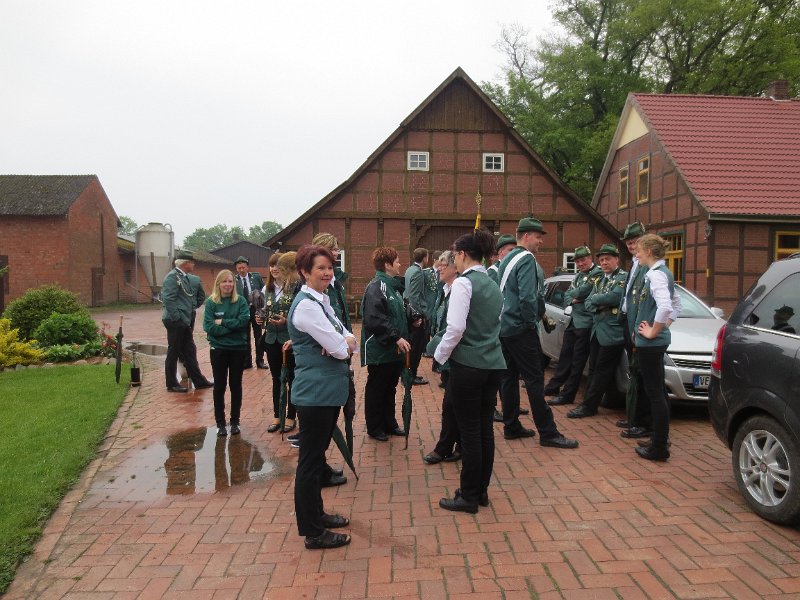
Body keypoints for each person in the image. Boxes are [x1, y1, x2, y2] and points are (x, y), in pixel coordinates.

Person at [288, 244, 357, 549]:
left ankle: (318, 515)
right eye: (321, 268)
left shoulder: (321, 300)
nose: (328, 273)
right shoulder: (306, 306)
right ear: (305, 272)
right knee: (310, 463)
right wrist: (342, 344)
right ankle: (313, 532)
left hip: (326, 392)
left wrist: (342, 343)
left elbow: (348, 338)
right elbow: (342, 348)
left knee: (316, 460)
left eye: (330, 267)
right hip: (315, 394)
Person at [435, 229, 507, 513]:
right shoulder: (492, 282)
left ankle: (468, 495)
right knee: (484, 429)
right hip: (493, 363)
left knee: (469, 432)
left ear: (463, 254)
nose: (454, 259)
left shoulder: (464, 283)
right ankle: (480, 491)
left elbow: (455, 328)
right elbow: (495, 322)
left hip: (468, 365)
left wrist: (440, 355)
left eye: (455, 255)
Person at [497, 218, 578, 449]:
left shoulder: (507, 259)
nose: (541, 241)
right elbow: (528, 298)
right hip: (520, 329)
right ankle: (548, 432)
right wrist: (531, 322)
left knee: (509, 379)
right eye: (538, 236)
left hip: (505, 328)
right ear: (525, 236)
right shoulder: (527, 259)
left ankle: (511, 425)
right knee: (534, 381)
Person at [630, 233, 679, 461]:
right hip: (655, 343)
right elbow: (676, 304)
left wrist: (654, 331)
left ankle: (659, 446)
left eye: (639, 251)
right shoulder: (663, 272)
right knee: (658, 391)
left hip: (651, 344)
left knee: (655, 394)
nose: (636, 255)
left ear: (649, 251)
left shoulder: (656, 274)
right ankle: (659, 439)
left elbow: (666, 305)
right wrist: (664, 327)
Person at [567, 244, 627, 418]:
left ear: (617, 259)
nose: (604, 262)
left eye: (608, 259)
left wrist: (596, 299)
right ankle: (601, 401)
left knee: (601, 370)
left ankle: (589, 406)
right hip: (597, 331)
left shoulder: (622, 277)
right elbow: (587, 303)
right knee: (593, 368)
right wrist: (598, 303)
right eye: (601, 260)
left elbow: (615, 296)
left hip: (612, 333)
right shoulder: (600, 280)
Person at [361, 247, 413, 441]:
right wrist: (395, 338)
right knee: (377, 388)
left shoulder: (392, 287)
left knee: (390, 387)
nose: (400, 264)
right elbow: (375, 318)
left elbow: (396, 314)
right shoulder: (377, 287)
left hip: (393, 349)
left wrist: (411, 319)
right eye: (397, 261)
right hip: (380, 349)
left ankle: (389, 423)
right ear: (387, 265)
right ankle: (375, 427)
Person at [545, 246, 603, 406]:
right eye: (577, 261)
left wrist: (576, 296)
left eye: (583, 260)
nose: (580, 263)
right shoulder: (578, 275)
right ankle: (553, 387)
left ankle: (568, 394)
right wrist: (574, 298)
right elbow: (567, 295)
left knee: (578, 361)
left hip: (585, 323)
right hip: (572, 321)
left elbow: (583, 291)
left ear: (590, 258)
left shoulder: (597, 273)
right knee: (564, 356)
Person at [422, 250, 462, 465]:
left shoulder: (458, 290)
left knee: (452, 404)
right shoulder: (444, 289)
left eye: (444, 265)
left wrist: (437, 352)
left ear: (456, 267)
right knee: (453, 403)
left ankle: (445, 447)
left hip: (454, 355)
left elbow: (453, 329)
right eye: (438, 263)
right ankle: (457, 445)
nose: (438, 268)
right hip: (447, 356)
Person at [203, 269, 250, 436]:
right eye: (224, 281)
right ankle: (220, 423)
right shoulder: (211, 302)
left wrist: (222, 322)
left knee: (235, 385)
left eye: (230, 281)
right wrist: (232, 327)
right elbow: (209, 327)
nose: (228, 284)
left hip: (238, 349)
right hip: (219, 349)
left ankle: (235, 421)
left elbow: (243, 322)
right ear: (218, 284)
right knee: (219, 385)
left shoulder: (241, 301)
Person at [161, 250, 213, 392]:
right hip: (175, 321)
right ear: (185, 263)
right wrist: (177, 318)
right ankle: (171, 383)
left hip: (184, 320)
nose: (193, 264)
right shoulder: (172, 277)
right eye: (192, 262)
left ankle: (199, 380)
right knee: (174, 351)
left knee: (189, 350)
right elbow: (168, 299)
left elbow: (190, 297)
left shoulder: (183, 277)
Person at [258, 252, 299, 434]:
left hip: (289, 339)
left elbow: (298, 315)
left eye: (277, 265)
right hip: (271, 339)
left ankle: (291, 416)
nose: (274, 269)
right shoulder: (266, 289)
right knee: (276, 379)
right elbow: (262, 310)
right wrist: (259, 318)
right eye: (271, 265)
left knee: (291, 378)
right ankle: (277, 415)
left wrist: (286, 321)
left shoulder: (295, 288)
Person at [617, 221, 651, 438]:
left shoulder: (648, 266)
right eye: (628, 242)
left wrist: (637, 329)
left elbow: (645, 302)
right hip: (628, 323)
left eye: (635, 241)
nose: (631, 245)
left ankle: (643, 422)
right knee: (634, 373)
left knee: (642, 376)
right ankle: (633, 416)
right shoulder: (635, 263)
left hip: (639, 328)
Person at [234, 256, 266, 369]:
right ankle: (247, 361)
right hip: (242, 311)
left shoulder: (256, 277)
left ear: (247, 267)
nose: (241, 270)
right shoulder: (234, 280)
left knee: (258, 335)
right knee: (245, 336)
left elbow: (263, 291)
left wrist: (262, 308)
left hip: (255, 309)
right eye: (239, 268)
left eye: (243, 267)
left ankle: (260, 360)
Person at [404, 247, 430, 385]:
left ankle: (409, 373)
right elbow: (414, 296)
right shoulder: (418, 273)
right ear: (425, 258)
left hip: (408, 311)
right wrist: (417, 316)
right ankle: (411, 375)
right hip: (415, 314)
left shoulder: (409, 270)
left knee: (412, 345)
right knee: (416, 347)